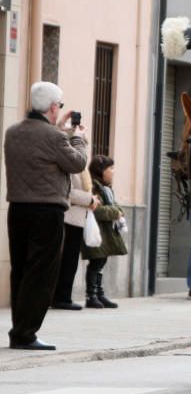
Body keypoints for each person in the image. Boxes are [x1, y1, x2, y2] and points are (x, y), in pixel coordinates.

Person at [5, 81, 88, 350]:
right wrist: (77, 137)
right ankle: (25, 333)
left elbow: (40, 149)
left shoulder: (13, 132)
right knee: (41, 274)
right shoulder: (55, 138)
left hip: (18, 209)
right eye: (59, 106)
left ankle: (19, 328)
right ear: (53, 107)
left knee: (21, 270)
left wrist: (58, 130)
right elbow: (77, 162)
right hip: (47, 211)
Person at [80, 155, 128, 309]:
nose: (113, 172)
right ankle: (91, 295)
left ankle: (99, 294)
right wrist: (116, 212)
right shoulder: (94, 187)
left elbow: (116, 206)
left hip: (106, 231)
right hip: (97, 231)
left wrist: (117, 210)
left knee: (101, 261)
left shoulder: (106, 188)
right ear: (102, 171)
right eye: (111, 168)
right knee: (96, 262)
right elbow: (97, 210)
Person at [51, 169, 98, 311]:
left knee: (71, 261)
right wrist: (90, 199)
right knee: (65, 260)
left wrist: (92, 200)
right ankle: (60, 298)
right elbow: (67, 192)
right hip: (68, 217)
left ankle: (63, 297)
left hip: (77, 219)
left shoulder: (80, 167)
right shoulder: (69, 166)